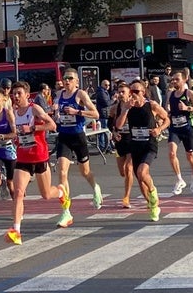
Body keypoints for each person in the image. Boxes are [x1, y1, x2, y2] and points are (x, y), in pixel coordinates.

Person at [6, 81, 66, 245]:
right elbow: (14, 132)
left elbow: (52, 125)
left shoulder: (34, 109)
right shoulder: (13, 111)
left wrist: (32, 129)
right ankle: (16, 231)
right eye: (14, 94)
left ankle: (61, 192)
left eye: (19, 93)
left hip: (39, 157)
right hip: (23, 158)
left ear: (27, 95)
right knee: (18, 193)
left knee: (46, 195)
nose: (16, 97)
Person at [53, 67, 102, 227]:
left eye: (70, 78)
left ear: (76, 81)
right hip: (64, 136)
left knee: (85, 171)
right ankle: (66, 211)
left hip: (78, 136)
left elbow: (96, 114)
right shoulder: (59, 95)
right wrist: (55, 114)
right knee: (61, 172)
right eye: (65, 78)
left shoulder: (80, 94)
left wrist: (77, 111)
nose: (66, 81)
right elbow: (56, 114)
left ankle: (95, 188)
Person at [115, 79, 169, 221]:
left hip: (149, 145)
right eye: (131, 91)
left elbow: (166, 119)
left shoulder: (151, 105)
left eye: (136, 91)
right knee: (140, 179)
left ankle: (153, 191)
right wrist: (126, 109)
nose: (133, 94)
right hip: (135, 145)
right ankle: (152, 205)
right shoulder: (128, 107)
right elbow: (119, 125)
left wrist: (159, 129)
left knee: (141, 172)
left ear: (143, 92)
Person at [167, 71, 193, 195]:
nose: (174, 81)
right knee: (172, 153)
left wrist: (187, 108)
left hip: (187, 128)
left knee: (190, 156)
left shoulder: (189, 93)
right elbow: (167, 109)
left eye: (177, 79)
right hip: (174, 128)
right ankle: (179, 180)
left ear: (184, 80)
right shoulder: (170, 94)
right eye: (173, 79)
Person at [108, 82, 133, 208]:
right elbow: (109, 123)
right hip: (120, 140)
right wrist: (113, 132)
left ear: (129, 93)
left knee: (129, 169)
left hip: (133, 139)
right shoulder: (115, 108)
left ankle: (126, 197)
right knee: (122, 172)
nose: (121, 94)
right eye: (119, 92)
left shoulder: (135, 106)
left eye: (124, 92)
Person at [95, 80, 112, 152]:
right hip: (103, 114)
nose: (107, 86)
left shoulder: (104, 91)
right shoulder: (101, 92)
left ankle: (106, 146)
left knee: (104, 131)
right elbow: (106, 103)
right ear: (102, 84)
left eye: (108, 85)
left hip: (105, 113)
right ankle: (104, 147)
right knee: (103, 131)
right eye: (106, 85)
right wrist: (113, 99)